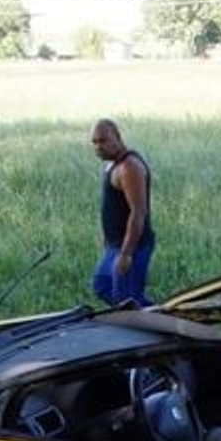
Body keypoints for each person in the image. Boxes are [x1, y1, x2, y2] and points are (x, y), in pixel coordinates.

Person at [89, 119, 154, 308]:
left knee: (126, 299)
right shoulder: (112, 164)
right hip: (114, 244)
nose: (98, 147)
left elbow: (138, 212)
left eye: (103, 141)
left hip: (132, 246)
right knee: (102, 286)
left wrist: (126, 254)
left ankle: (159, 321)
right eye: (94, 142)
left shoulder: (129, 167)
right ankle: (150, 313)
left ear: (118, 138)